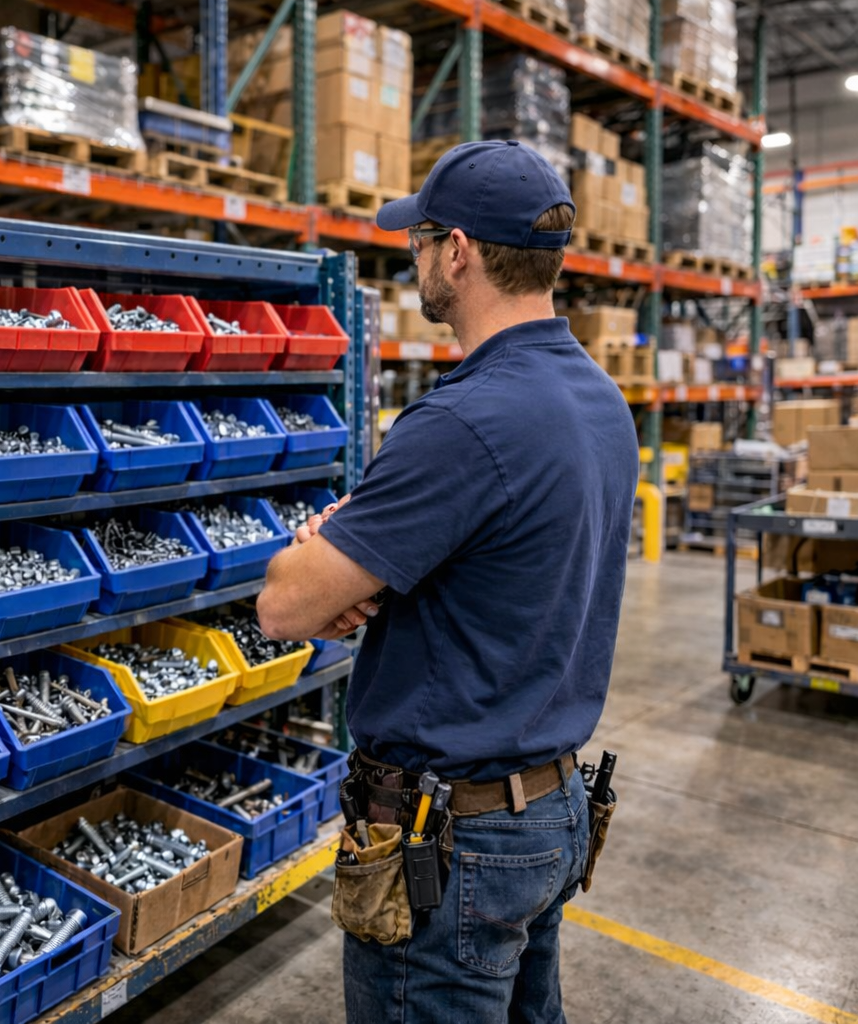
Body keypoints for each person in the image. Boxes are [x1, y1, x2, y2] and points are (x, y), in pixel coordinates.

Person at [255, 139, 638, 1023]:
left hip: (453, 841)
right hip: (548, 809)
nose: (414, 257)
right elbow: (507, 567)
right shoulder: (598, 399)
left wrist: (326, 558)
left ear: (458, 250)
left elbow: (284, 607)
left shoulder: (462, 421)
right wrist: (381, 567)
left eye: (420, 240)